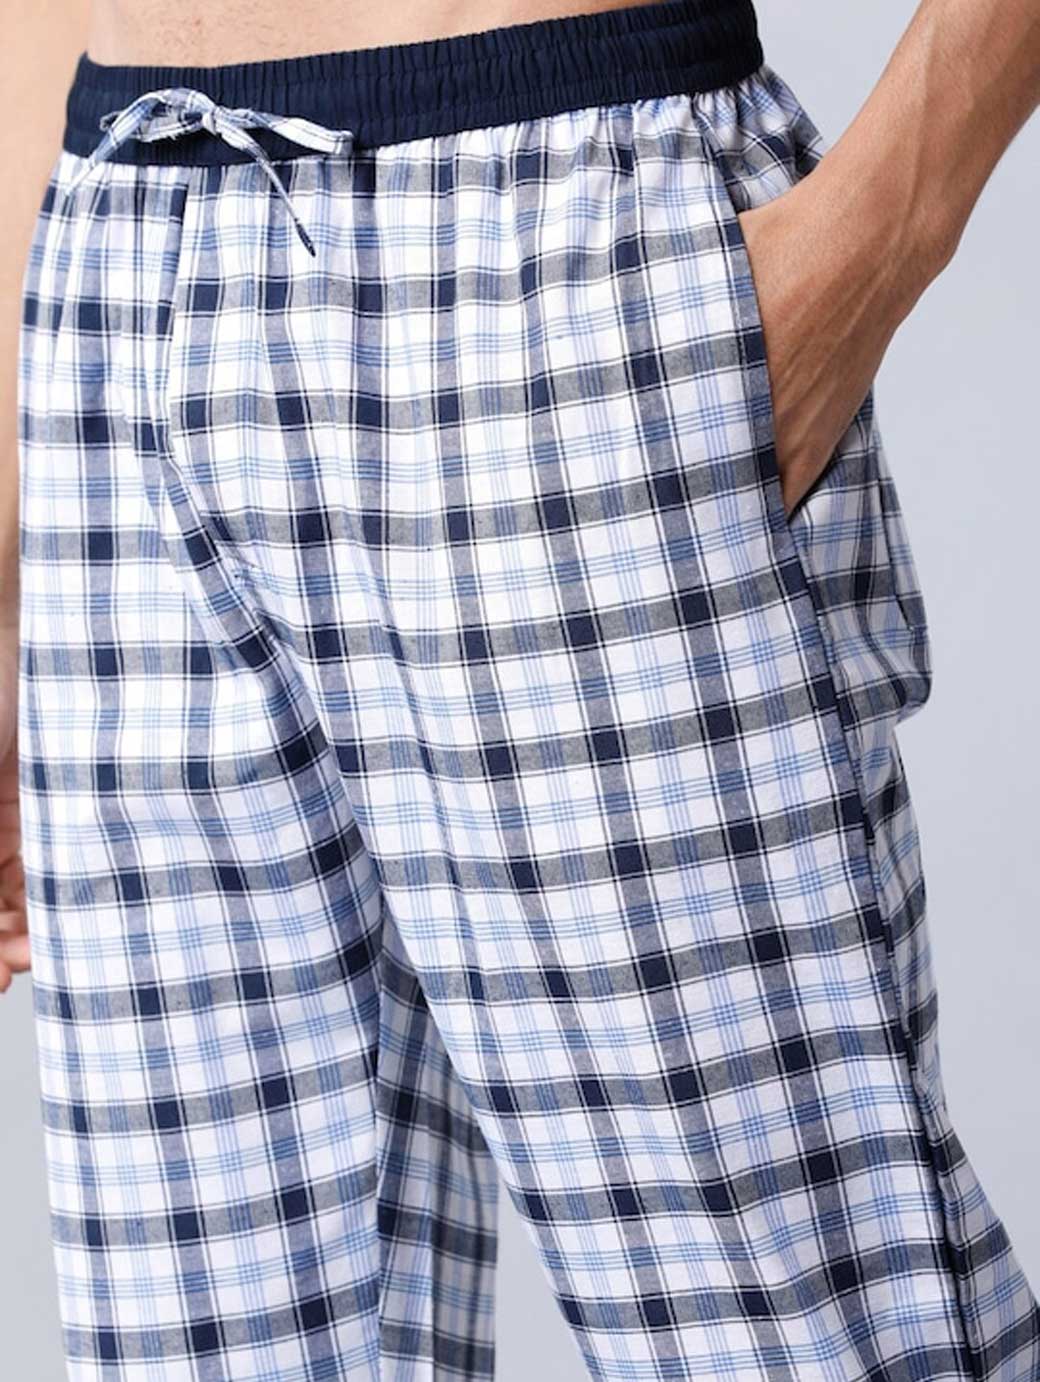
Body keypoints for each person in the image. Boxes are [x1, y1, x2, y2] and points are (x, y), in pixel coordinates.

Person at [2, 0, 1038, 1376]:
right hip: (119, 250)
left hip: (546, 227)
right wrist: (6, 552)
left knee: (785, 1328)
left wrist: (888, 228)